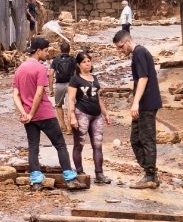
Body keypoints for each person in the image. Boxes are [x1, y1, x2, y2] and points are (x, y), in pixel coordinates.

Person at [12, 37, 88, 192]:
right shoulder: (40, 68)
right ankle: (70, 179)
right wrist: (32, 112)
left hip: (28, 117)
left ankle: (36, 182)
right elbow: (40, 94)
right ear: (38, 50)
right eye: (46, 51)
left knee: (33, 147)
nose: (47, 54)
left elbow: (15, 94)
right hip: (44, 114)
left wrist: (25, 113)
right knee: (60, 144)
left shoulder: (20, 69)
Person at [113, 29, 162, 188]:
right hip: (143, 103)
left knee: (147, 138)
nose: (120, 51)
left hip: (146, 103)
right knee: (135, 139)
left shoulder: (139, 52)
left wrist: (136, 103)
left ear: (127, 41)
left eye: (120, 47)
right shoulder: (138, 53)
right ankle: (150, 172)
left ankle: (149, 175)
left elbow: (143, 78)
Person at [66, 51, 113, 184]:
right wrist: (72, 116)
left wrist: (106, 113)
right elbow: (71, 99)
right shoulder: (75, 79)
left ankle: (99, 174)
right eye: (84, 62)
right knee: (79, 144)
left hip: (96, 115)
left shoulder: (95, 78)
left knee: (97, 145)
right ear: (79, 65)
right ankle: (80, 172)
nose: (88, 64)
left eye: (89, 61)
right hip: (82, 113)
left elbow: (98, 97)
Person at [48, 41, 76, 134]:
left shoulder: (55, 60)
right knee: (70, 106)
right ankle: (70, 128)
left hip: (59, 85)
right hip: (71, 85)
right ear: (69, 50)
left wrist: (51, 88)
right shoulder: (73, 59)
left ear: (60, 50)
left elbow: (51, 74)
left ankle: (62, 126)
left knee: (58, 105)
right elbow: (78, 73)